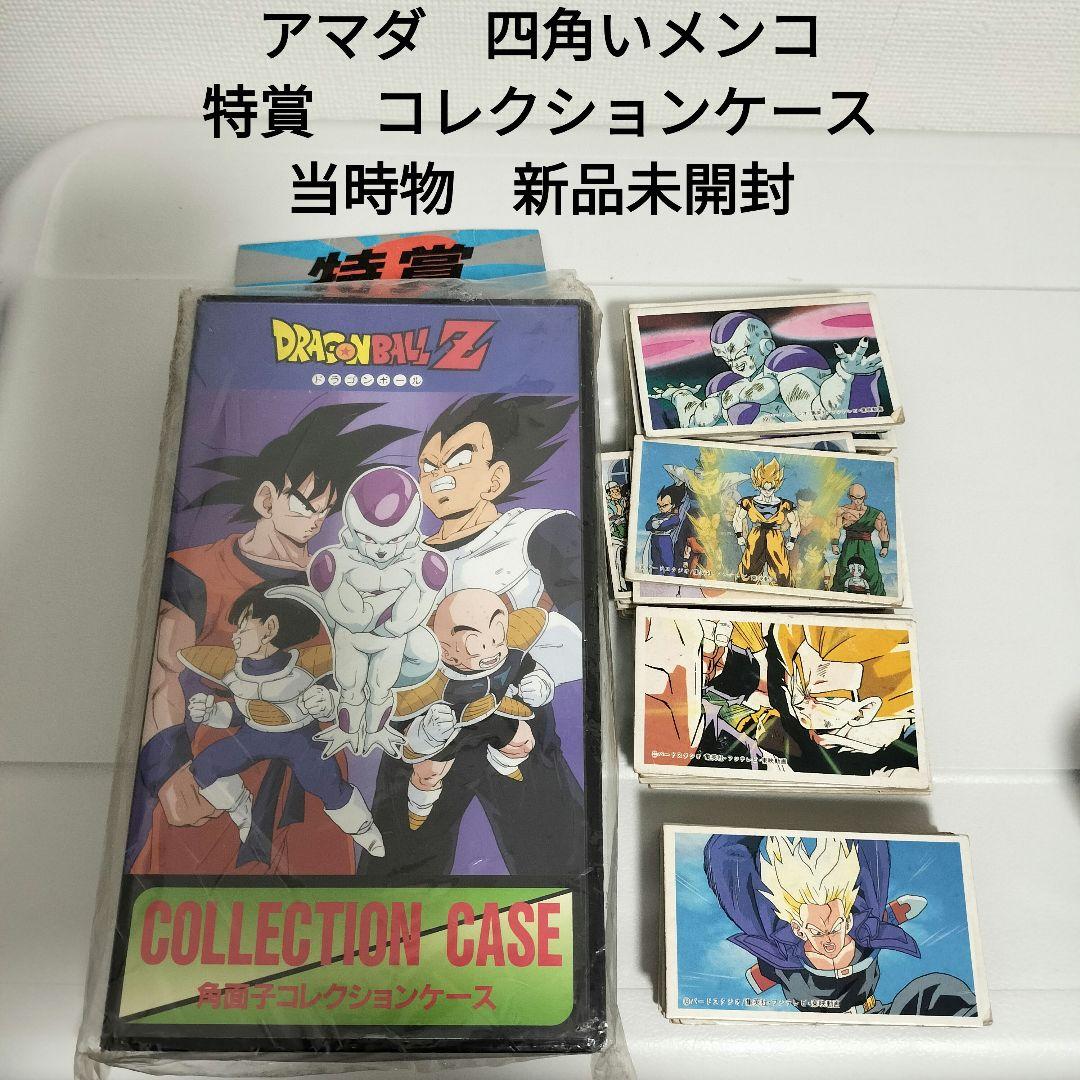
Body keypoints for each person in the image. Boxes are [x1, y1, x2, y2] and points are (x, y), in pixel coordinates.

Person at [128, 402, 412, 874]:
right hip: (215, 774)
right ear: (266, 499)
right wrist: (168, 774)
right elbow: (161, 679)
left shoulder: (341, 583)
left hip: (311, 781)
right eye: (305, 505)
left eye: (326, 510)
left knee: (326, 918)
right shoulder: (197, 572)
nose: (316, 520)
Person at [183, 584, 384, 862]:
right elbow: (238, 712)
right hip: (253, 736)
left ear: (269, 628)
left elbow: (343, 697)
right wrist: (210, 713)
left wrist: (326, 702)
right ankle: (242, 814)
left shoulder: (307, 665)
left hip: (299, 739)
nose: (235, 636)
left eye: (242, 627)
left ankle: (363, 829)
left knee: (325, 784)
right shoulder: (233, 670)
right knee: (205, 766)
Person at [832, 483, 891, 596]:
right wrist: (834, 544)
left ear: (865, 497)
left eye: (860, 498)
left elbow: (883, 529)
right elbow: (835, 528)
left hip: (866, 546)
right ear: (849, 497)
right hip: (849, 545)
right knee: (844, 570)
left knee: (871, 571)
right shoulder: (842, 511)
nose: (857, 501)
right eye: (854, 498)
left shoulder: (876, 514)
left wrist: (885, 546)